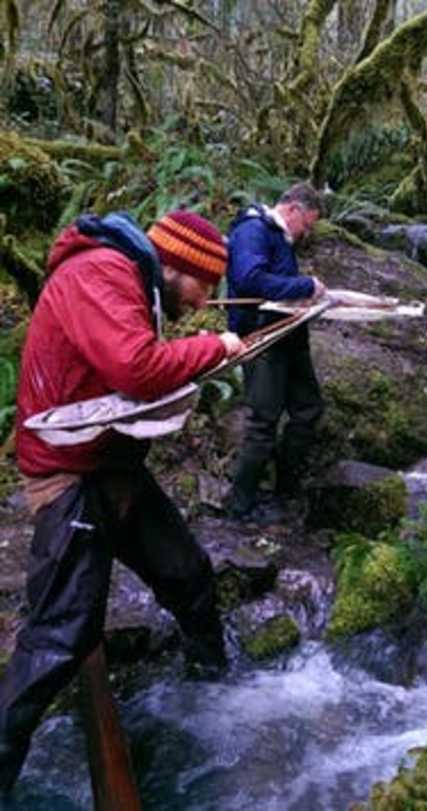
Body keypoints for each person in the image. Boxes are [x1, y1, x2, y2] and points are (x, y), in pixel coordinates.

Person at [0, 208, 245, 795]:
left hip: (113, 468)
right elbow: (135, 368)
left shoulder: (128, 280)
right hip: (70, 475)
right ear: (176, 265)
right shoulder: (102, 273)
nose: (202, 301)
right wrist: (215, 347)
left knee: (187, 574)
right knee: (62, 634)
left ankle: (217, 693)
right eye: (203, 286)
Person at [226, 182, 327, 521]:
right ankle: (239, 507)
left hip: (289, 336)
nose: (306, 233)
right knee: (263, 422)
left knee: (308, 408)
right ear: (293, 209)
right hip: (262, 338)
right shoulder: (252, 231)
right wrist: (305, 286)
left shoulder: (280, 237)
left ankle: (284, 490)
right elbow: (249, 279)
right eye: (307, 225)